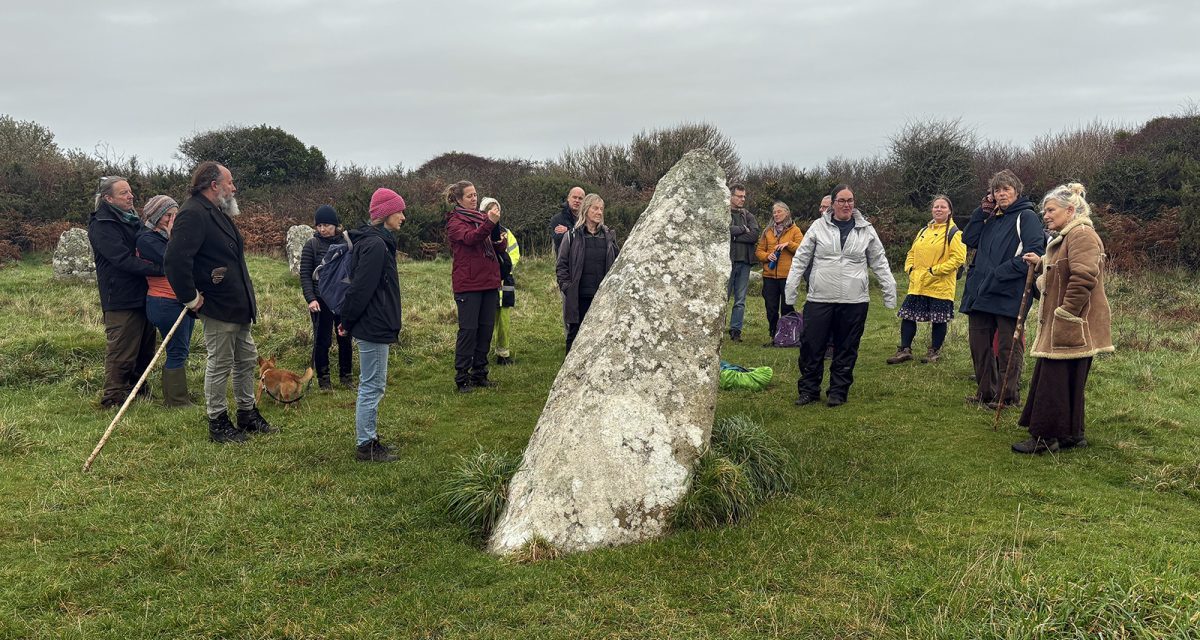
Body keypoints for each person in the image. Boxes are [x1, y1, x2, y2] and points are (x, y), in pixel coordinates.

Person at [165, 162, 273, 443]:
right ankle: (218, 422)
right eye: (230, 182)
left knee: (246, 359)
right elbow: (175, 260)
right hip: (217, 305)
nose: (234, 187)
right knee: (221, 363)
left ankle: (247, 413)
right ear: (214, 185)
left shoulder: (217, 212)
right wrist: (190, 298)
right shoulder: (192, 213)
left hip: (237, 304)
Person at [1012, 183, 1113, 454]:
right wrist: (1041, 263)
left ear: (1070, 210)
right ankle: (1071, 435)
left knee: (1053, 380)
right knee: (1069, 378)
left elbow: (1084, 277)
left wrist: (1066, 313)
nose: (1045, 215)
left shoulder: (1081, 235)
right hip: (1072, 323)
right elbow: (1064, 270)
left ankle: (1045, 438)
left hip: (1072, 322)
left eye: (1050, 210)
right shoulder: (1069, 236)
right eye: (1044, 211)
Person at [785, 184, 896, 407]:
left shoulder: (866, 229)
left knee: (847, 347)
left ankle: (838, 391)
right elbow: (801, 259)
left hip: (854, 300)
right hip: (820, 298)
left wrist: (889, 291)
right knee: (811, 346)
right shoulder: (818, 227)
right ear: (833, 204)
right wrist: (791, 290)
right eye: (842, 201)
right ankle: (809, 390)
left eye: (850, 200)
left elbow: (879, 261)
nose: (846, 205)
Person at [960, 170, 1046, 409]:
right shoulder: (990, 217)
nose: (1001, 194)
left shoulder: (1026, 216)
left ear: (1016, 191)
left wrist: (998, 274)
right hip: (980, 291)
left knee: (1008, 347)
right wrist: (981, 212)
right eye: (996, 190)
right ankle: (985, 392)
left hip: (1009, 291)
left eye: (1006, 189)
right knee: (979, 345)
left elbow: (1033, 253)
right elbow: (969, 239)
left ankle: (1007, 397)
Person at [338, 189, 405, 462]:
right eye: (399, 211)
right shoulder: (376, 245)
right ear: (385, 214)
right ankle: (366, 445)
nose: (403, 217)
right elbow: (360, 289)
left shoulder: (377, 242)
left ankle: (369, 439)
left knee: (373, 384)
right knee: (372, 386)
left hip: (373, 322)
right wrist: (346, 320)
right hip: (373, 325)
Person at [88, 176, 163, 408]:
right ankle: (112, 398)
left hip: (143, 292)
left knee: (145, 347)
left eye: (130, 191)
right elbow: (122, 259)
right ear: (108, 198)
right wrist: (159, 269)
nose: (131, 196)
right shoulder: (102, 224)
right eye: (124, 193)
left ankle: (138, 390)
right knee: (122, 349)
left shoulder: (132, 219)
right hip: (120, 296)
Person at [887, 195, 967, 364]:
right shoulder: (923, 231)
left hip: (940, 284)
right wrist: (909, 268)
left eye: (943, 207)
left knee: (939, 319)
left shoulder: (954, 233)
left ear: (950, 211)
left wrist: (935, 271)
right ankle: (905, 350)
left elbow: (958, 259)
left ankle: (933, 352)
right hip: (918, 282)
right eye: (936, 206)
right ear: (932, 209)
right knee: (908, 315)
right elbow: (911, 252)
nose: (939, 209)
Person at [446, 181, 506, 393]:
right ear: (459, 199)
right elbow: (471, 239)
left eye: (475, 194)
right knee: (468, 331)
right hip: (468, 284)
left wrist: (497, 232)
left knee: (485, 330)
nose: (474, 198)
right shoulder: (455, 222)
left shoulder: (481, 218)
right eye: (469, 196)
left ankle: (480, 373)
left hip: (489, 281)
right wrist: (489, 223)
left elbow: (496, 246)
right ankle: (462, 377)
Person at [136, 195, 195, 406]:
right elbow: (174, 260)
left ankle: (176, 395)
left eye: (175, 215)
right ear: (155, 216)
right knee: (176, 350)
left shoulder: (164, 237)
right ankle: (176, 400)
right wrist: (173, 237)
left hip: (181, 300)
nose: (172, 220)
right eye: (168, 215)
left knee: (182, 349)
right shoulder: (147, 239)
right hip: (164, 301)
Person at [299, 204, 354, 390]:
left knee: (345, 337)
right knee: (322, 340)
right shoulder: (311, 245)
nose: (322, 229)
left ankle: (347, 378)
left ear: (335, 225)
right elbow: (305, 275)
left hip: (342, 299)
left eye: (327, 225)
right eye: (319, 225)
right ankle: (324, 381)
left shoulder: (347, 243)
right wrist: (311, 299)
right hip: (320, 300)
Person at [557, 193, 619, 353]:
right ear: (586, 209)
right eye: (595, 208)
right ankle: (569, 369)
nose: (599, 212)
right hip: (579, 296)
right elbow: (562, 265)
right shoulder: (572, 236)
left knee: (600, 339)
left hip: (602, 298)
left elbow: (617, 264)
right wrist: (567, 287)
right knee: (574, 337)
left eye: (601, 209)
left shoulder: (609, 237)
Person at [755, 201, 803, 345]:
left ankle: (787, 335)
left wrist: (789, 244)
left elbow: (803, 249)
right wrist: (767, 256)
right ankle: (774, 334)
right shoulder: (768, 231)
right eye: (774, 212)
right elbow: (759, 251)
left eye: (779, 212)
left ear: (787, 213)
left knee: (787, 307)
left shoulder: (795, 230)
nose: (776, 214)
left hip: (788, 276)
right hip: (769, 276)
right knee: (771, 307)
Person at [480, 197, 520, 366]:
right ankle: (481, 353)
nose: (495, 212)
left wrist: (504, 268)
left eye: (497, 209)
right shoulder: (479, 230)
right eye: (491, 209)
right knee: (485, 319)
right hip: (485, 281)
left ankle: (503, 353)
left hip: (505, 280)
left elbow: (514, 254)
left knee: (504, 319)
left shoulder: (506, 232)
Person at [727, 183, 759, 342]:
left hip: (745, 262)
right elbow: (724, 231)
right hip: (728, 262)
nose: (743, 199)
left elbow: (754, 236)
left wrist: (734, 236)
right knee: (723, 298)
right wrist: (742, 230)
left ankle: (735, 331)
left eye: (744, 196)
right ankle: (716, 329)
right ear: (731, 196)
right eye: (739, 196)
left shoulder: (748, 215)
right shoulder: (723, 212)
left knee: (740, 300)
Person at [550, 186, 585, 252]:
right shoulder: (557, 219)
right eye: (574, 197)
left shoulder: (587, 219)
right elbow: (560, 241)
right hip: (565, 257)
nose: (577, 201)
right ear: (568, 198)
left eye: (580, 198)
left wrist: (568, 231)